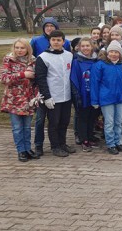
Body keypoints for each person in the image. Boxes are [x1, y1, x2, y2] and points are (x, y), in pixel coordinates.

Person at [30, 17, 71, 156]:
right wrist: (46, 96)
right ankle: (55, 146)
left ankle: (62, 143)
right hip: (52, 96)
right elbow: (41, 79)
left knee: (64, 121)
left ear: (63, 42)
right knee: (54, 123)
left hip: (66, 95)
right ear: (50, 41)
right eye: (54, 40)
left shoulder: (69, 55)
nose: (56, 42)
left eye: (59, 40)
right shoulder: (43, 57)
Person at [0, 38, 40, 162]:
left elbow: (37, 79)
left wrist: (37, 95)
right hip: (14, 99)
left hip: (28, 99)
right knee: (17, 127)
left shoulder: (33, 61)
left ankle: (28, 149)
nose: (19, 50)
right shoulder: (9, 60)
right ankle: (21, 150)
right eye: (17, 47)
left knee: (27, 127)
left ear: (27, 49)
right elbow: (3, 78)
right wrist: (22, 75)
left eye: (22, 48)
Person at [91, 40, 122, 155]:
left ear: (120, 53)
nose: (114, 54)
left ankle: (118, 142)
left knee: (118, 122)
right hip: (106, 98)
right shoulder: (100, 65)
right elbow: (95, 83)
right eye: (111, 52)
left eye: (116, 52)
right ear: (108, 52)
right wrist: (95, 100)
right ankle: (111, 144)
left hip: (120, 99)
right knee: (109, 122)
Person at [70, 38, 100, 152]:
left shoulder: (96, 61)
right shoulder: (77, 62)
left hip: (94, 95)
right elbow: (74, 79)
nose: (85, 48)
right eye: (83, 46)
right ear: (79, 48)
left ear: (92, 47)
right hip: (83, 94)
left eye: (88, 46)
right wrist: (77, 95)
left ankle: (90, 135)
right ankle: (84, 140)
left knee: (92, 117)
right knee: (83, 117)